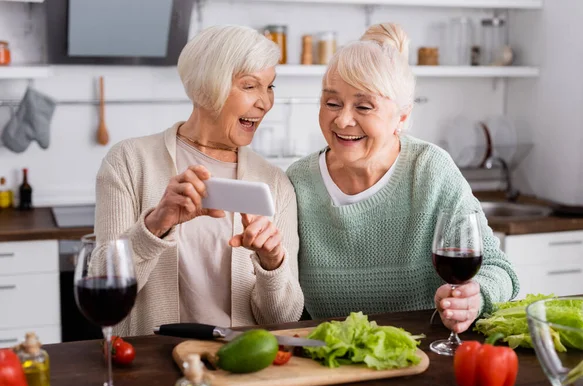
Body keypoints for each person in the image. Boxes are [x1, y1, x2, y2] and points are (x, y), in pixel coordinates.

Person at [287, 23, 519, 333]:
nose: (342, 119)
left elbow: (499, 270)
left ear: (403, 116)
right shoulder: (298, 182)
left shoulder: (430, 171)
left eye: (363, 106)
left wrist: (475, 299)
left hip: (420, 357)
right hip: (328, 360)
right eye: (331, 103)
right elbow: (286, 302)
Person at [94, 25, 303, 337]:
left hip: (240, 365)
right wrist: (155, 225)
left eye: (270, 87)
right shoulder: (129, 161)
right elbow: (102, 292)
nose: (265, 103)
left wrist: (272, 263)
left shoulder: (273, 182)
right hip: (151, 364)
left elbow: (284, 317)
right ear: (207, 88)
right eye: (250, 86)